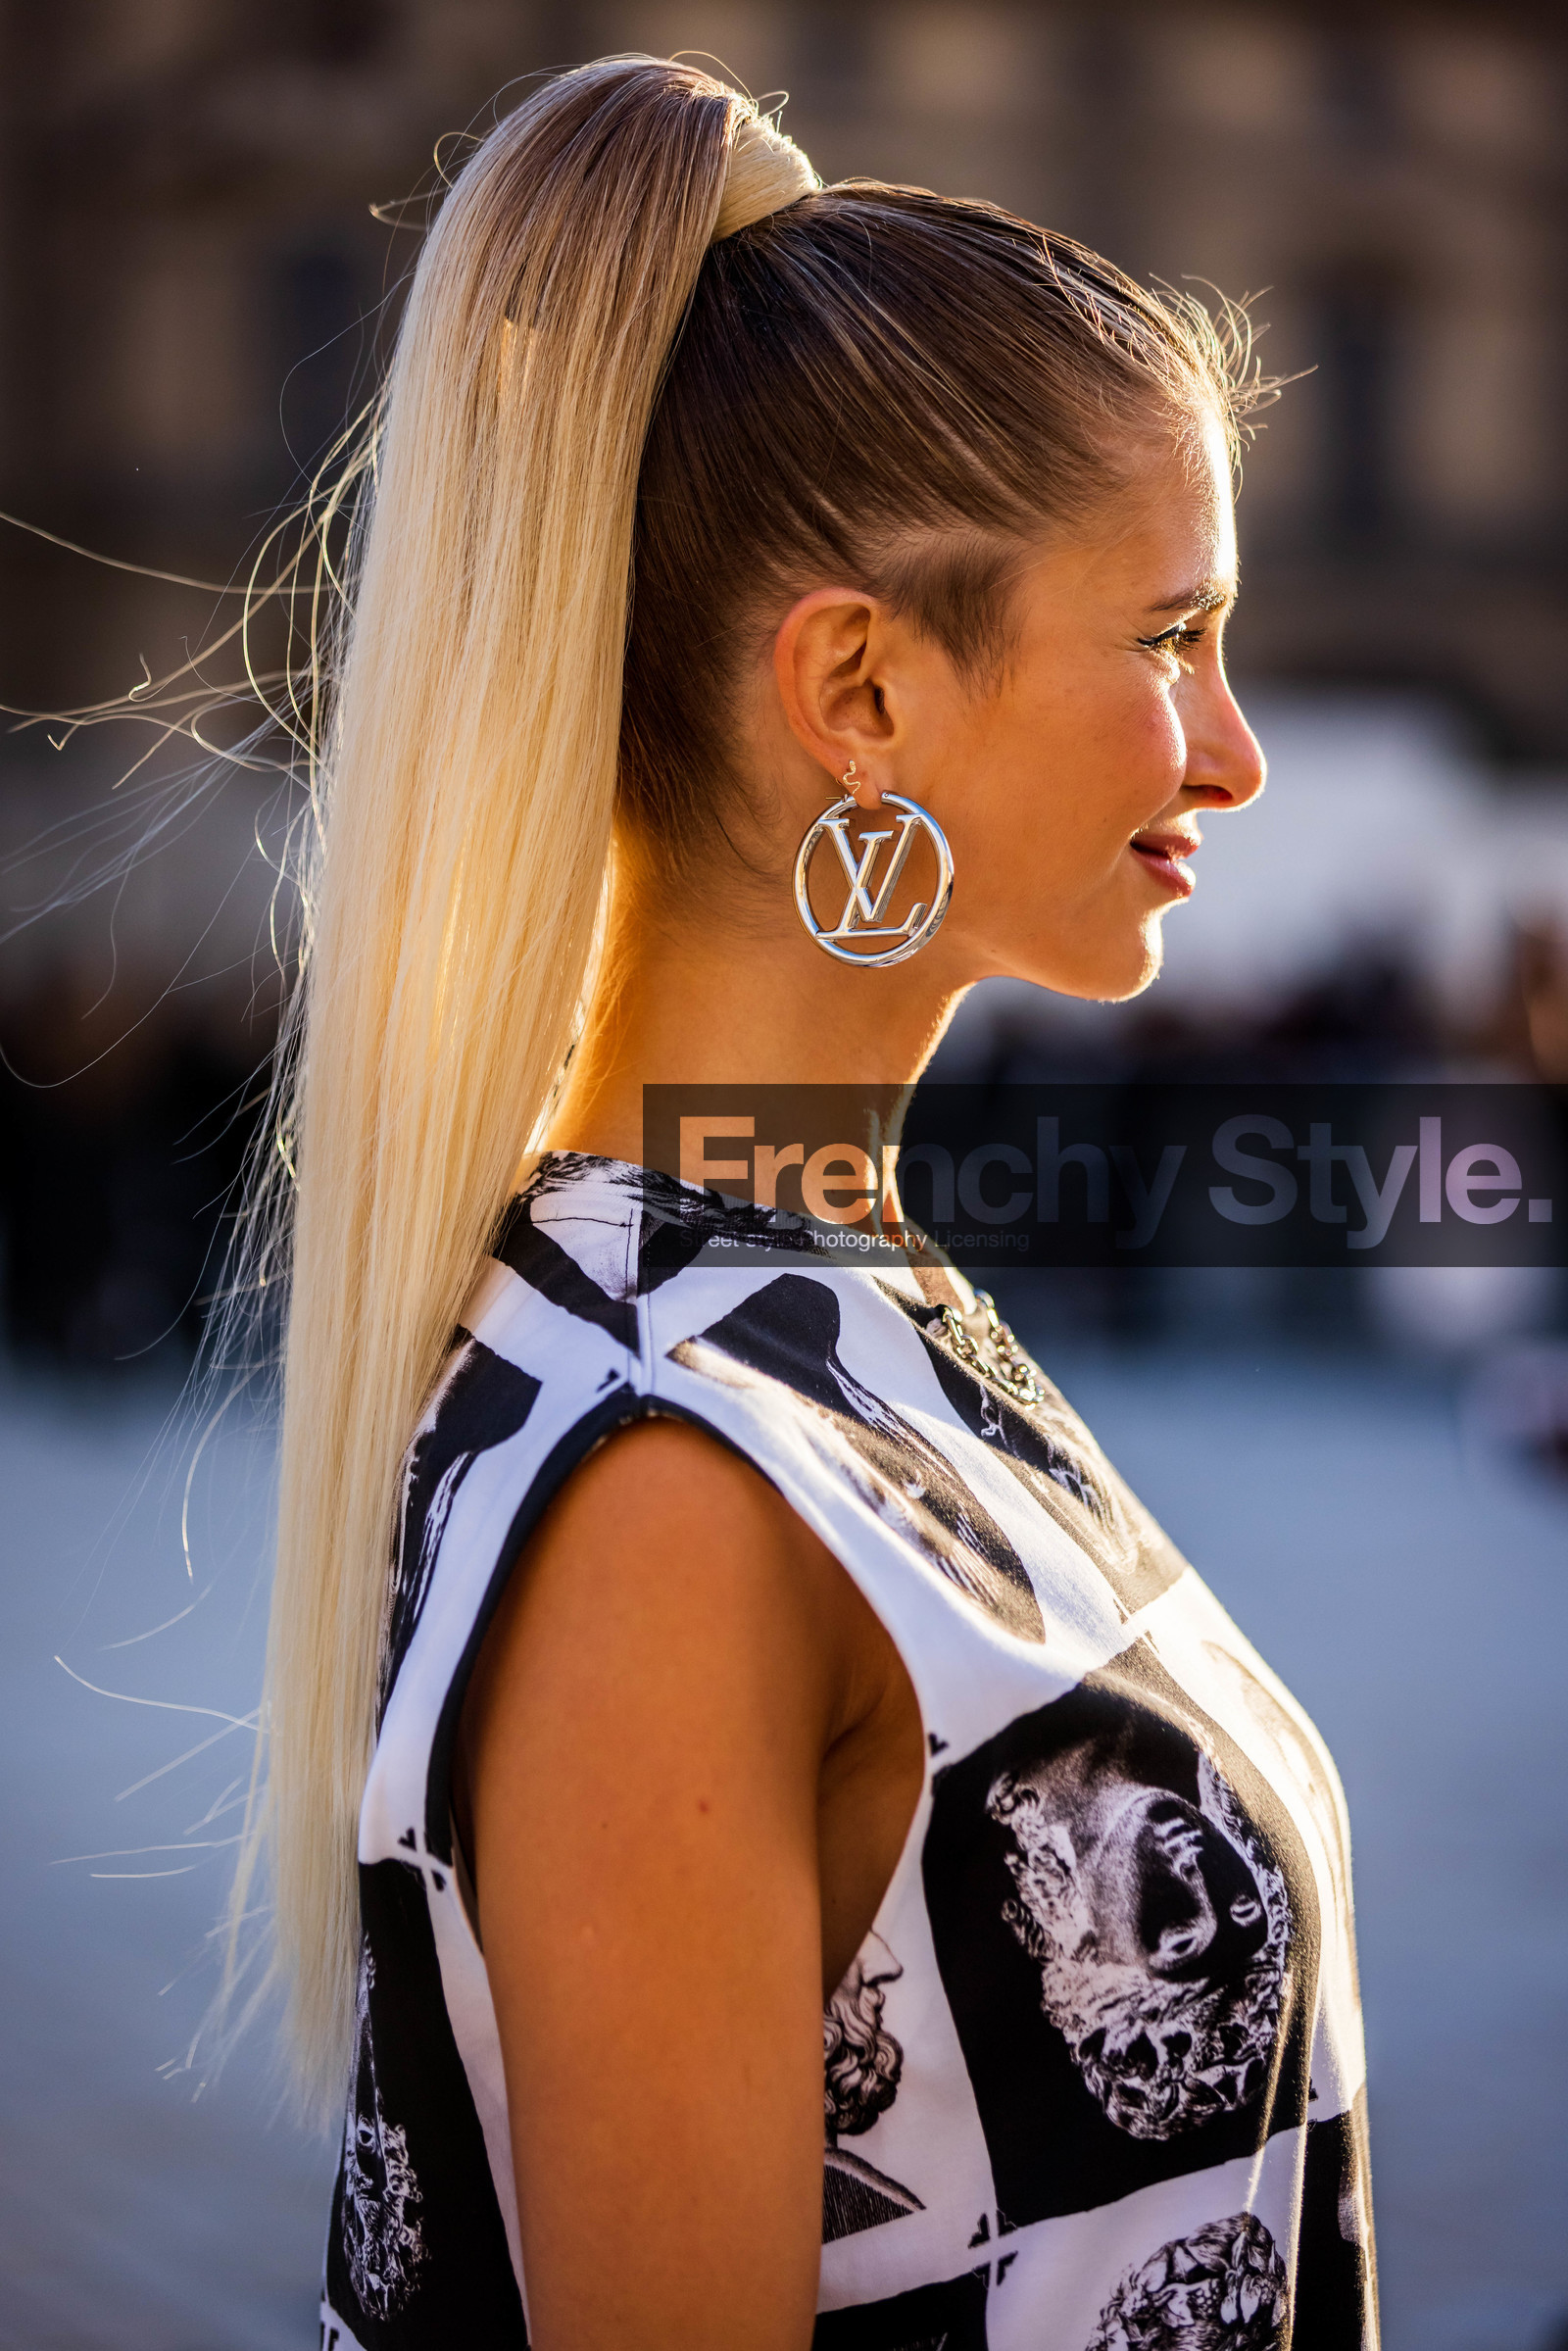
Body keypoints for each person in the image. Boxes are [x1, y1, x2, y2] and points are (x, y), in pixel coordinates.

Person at [253, 53, 1376, 2350]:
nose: (1231, 749)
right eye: (1167, 639)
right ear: (856, 689)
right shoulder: (674, 1473)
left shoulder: (777, 1286)